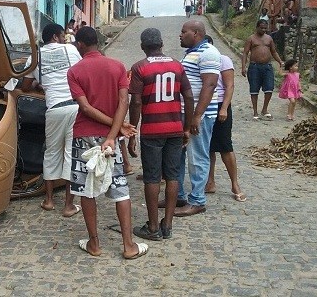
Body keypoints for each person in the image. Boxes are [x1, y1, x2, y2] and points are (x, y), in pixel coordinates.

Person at [67, 26, 147, 259]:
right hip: (110, 138)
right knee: (120, 188)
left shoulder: (74, 71)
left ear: (80, 44)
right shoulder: (118, 67)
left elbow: (85, 107)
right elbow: (124, 101)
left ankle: (94, 244)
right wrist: (115, 132)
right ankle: (128, 245)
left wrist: (116, 128)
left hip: (84, 136)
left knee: (86, 189)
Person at [128, 28, 194, 240]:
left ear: (142, 47)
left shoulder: (139, 68)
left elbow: (136, 101)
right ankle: (168, 225)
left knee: (152, 177)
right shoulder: (177, 65)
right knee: (173, 175)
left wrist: (132, 131)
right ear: (162, 44)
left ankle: (153, 227)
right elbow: (189, 95)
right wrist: (187, 126)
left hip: (152, 131)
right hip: (175, 128)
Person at [21, 23, 82, 217]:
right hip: (73, 106)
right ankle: (68, 205)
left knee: (51, 153)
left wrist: (41, 84)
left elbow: (24, 86)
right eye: (62, 35)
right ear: (55, 36)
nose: (65, 38)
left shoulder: (35, 57)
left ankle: (48, 201)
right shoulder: (71, 50)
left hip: (53, 108)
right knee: (71, 154)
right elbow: (82, 75)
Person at [172, 20, 221, 217]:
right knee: (179, 155)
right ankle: (179, 196)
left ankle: (198, 200)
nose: (180, 35)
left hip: (199, 115)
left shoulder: (208, 52)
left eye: (184, 32)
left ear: (196, 33)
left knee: (198, 156)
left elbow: (209, 86)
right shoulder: (192, 53)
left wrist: (197, 116)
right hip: (185, 113)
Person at [202, 35, 246, 202]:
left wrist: (224, 108)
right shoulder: (199, 61)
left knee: (225, 146)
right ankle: (210, 181)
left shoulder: (223, 60)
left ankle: (235, 184)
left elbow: (229, 86)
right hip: (204, 105)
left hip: (220, 104)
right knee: (208, 147)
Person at [242, 19, 284, 120]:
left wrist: (280, 62)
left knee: (269, 89)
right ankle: (255, 112)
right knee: (254, 90)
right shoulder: (251, 39)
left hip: (267, 66)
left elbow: (274, 52)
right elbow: (245, 53)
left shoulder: (269, 38)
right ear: (257, 27)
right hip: (254, 67)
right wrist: (243, 66)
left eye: (265, 28)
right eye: (261, 28)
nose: (264, 30)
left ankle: (264, 109)